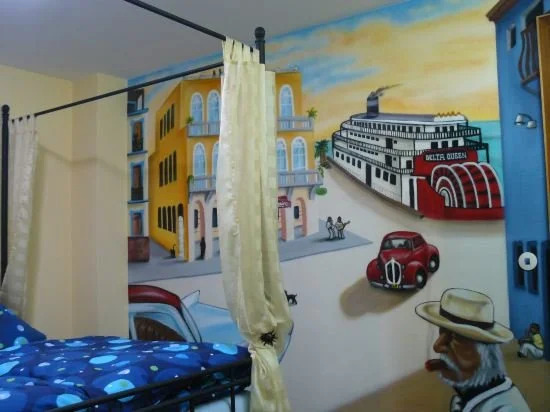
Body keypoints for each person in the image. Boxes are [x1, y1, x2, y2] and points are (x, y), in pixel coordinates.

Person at [415, 288, 530, 412]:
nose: (437, 346)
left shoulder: (506, 409)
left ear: (486, 355)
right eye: (441, 331)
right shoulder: (465, 399)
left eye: (456, 337)